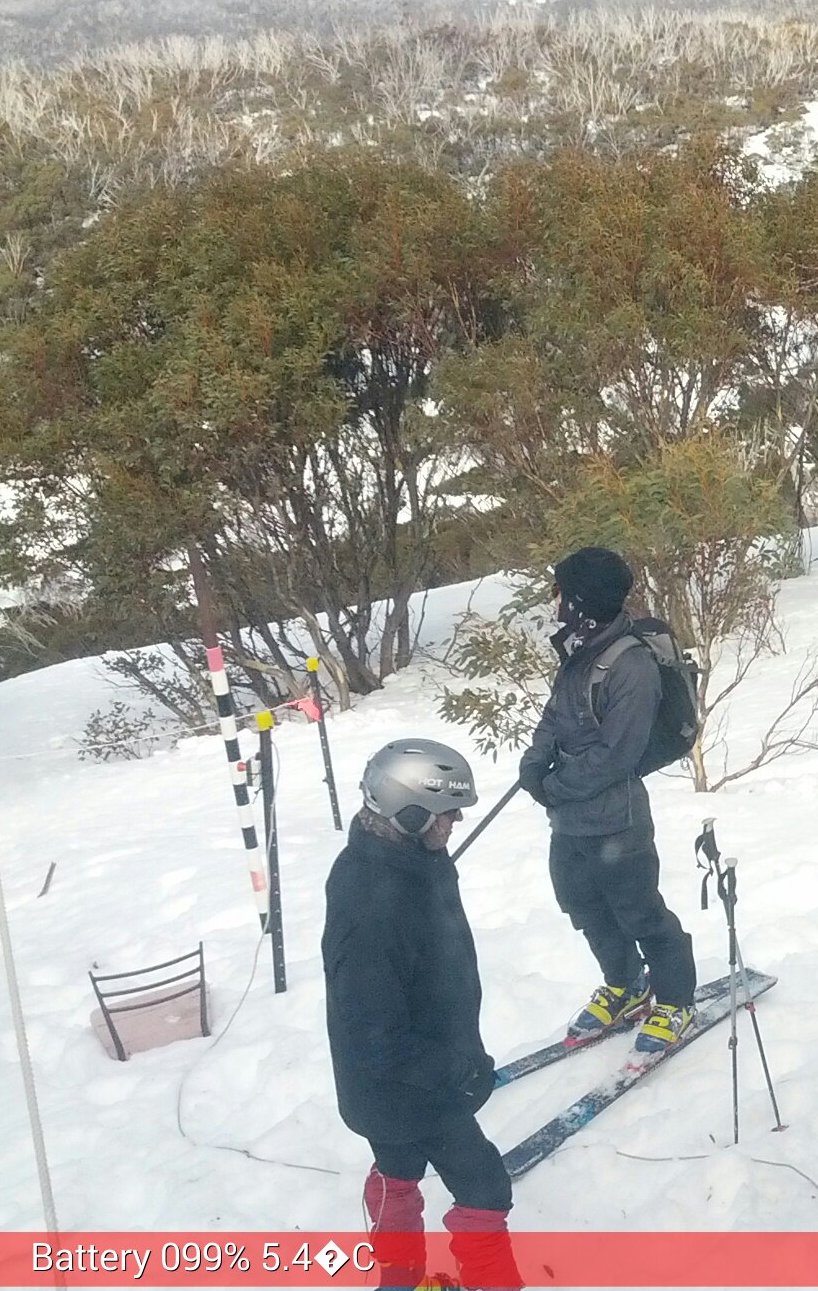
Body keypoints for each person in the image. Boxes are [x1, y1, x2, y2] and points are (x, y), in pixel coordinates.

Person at [324, 738, 521, 1291]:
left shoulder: (401, 861)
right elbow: (376, 1037)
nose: (456, 820)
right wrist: (460, 1070)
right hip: (413, 1086)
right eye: (446, 811)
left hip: (385, 1090)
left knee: (398, 1170)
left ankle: (400, 1279)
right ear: (407, 814)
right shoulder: (374, 905)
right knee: (484, 1189)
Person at [518, 545, 698, 1053]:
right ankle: (625, 983)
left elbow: (619, 752)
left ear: (580, 600)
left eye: (559, 591)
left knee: (640, 912)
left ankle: (676, 999)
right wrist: (534, 763)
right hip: (571, 821)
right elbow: (555, 716)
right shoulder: (578, 648)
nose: (553, 600)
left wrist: (554, 788)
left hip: (618, 822)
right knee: (582, 904)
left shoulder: (630, 664)